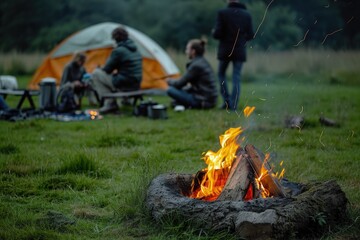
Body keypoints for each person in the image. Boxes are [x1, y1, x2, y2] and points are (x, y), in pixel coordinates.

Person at [212, 0, 254, 111]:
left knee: (221, 75)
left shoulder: (222, 13)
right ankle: (233, 105)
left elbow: (217, 34)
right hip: (239, 51)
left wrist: (213, 32)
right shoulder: (246, 14)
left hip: (225, 50)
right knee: (236, 77)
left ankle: (227, 102)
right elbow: (251, 35)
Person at [91, 26, 142, 114]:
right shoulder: (135, 49)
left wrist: (101, 67)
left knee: (96, 73)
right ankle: (121, 102)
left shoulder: (118, 51)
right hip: (135, 84)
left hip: (124, 84)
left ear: (115, 38)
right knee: (112, 77)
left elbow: (107, 69)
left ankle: (110, 103)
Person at [166, 39, 218, 109]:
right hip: (209, 100)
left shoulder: (196, 65)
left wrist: (169, 81)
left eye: (187, 49)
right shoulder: (203, 62)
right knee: (181, 93)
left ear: (193, 51)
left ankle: (184, 104)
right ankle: (180, 104)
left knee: (170, 90)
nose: (186, 52)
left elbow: (179, 84)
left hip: (203, 101)